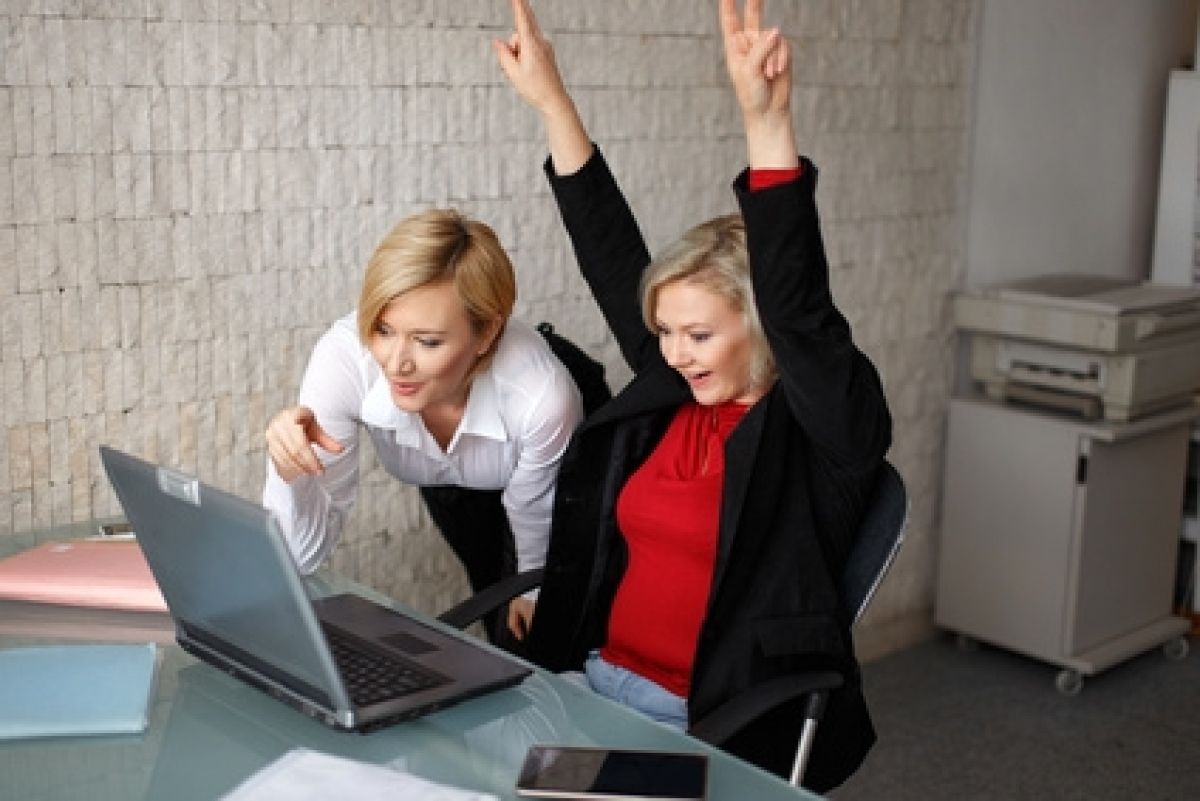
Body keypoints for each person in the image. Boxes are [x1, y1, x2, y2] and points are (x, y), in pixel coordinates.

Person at [493, 0, 892, 791]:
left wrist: (766, 123)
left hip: (705, 719)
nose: (675, 352)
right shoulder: (674, 390)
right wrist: (552, 102)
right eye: (665, 331)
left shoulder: (823, 432)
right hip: (596, 681)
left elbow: (801, 308)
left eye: (699, 333)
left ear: (758, 325)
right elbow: (610, 250)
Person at [262, 208, 584, 645]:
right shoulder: (346, 359)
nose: (396, 364)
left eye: (428, 341)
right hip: (454, 485)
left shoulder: (541, 397)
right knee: (494, 608)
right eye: (383, 330)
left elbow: (536, 512)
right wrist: (290, 474)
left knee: (551, 632)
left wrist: (533, 588)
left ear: (487, 333)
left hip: (554, 476)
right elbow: (299, 557)